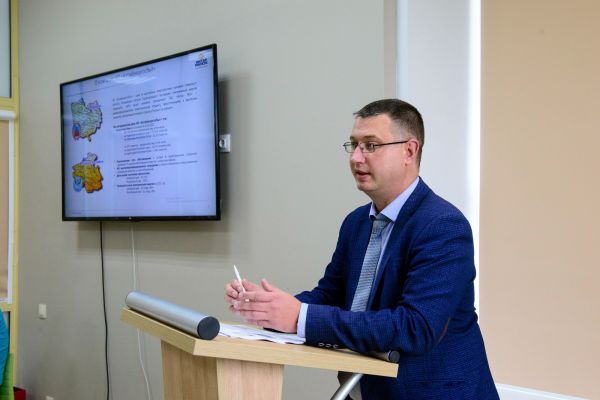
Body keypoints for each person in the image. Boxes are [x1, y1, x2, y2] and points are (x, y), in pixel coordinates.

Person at [224, 99, 499, 399]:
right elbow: (330, 297)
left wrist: (299, 317)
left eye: (371, 145)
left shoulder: (443, 226)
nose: (356, 158)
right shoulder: (356, 223)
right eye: (353, 145)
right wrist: (270, 308)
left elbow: (416, 327)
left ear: (409, 151)